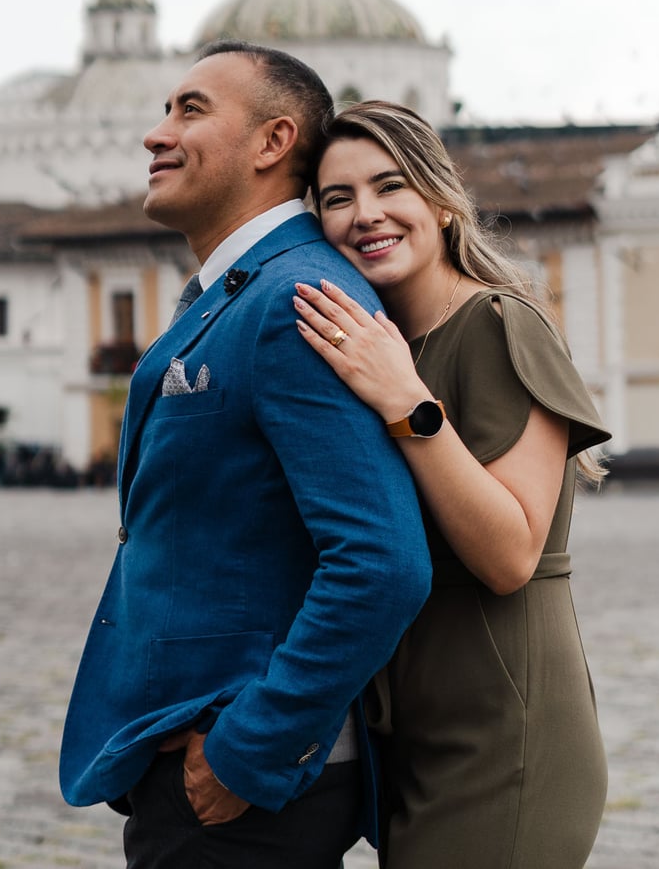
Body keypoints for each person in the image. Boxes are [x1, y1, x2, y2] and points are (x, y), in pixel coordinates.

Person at [59, 46, 432, 869]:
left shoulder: (294, 299)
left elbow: (382, 561)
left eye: (191, 110)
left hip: (241, 788)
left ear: (272, 141)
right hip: (193, 757)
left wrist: (248, 750)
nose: (158, 134)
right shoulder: (243, 292)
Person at [293, 100, 611, 869]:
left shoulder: (500, 324)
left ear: (439, 201)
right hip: (411, 742)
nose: (365, 214)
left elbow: (510, 554)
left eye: (389, 185)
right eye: (338, 198)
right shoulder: (379, 346)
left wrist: (407, 400)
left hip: (507, 737)